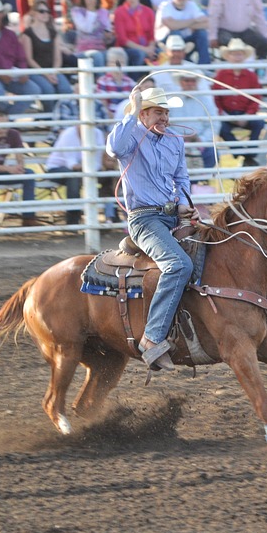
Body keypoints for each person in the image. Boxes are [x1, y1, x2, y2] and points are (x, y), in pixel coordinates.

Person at [106, 85, 197, 372]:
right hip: (144, 219)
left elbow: (181, 178)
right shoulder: (130, 136)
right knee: (178, 265)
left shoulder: (175, 141)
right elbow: (114, 148)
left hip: (172, 216)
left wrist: (184, 204)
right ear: (143, 114)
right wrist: (131, 110)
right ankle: (152, 338)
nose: (165, 118)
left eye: (166, 113)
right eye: (158, 112)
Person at [0, 0, 41, 115]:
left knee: (33, 90)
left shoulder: (11, 35)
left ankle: (6, 118)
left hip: (11, 74)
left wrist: (23, 72)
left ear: (3, 14)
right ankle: (6, 119)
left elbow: (21, 57)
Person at [213, 38, 264, 166]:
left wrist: (248, 115)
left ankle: (247, 153)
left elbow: (256, 98)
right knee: (220, 127)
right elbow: (216, 98)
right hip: (226, 113)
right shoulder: (221, 75)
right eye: (234, 54)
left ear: (244, 56)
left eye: (239, 54)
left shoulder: (251, 76)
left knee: (259, 123)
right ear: (229, 56)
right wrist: (223, 114)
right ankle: (245, 154)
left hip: (244, 113)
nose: (237, 57)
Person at [45, 124, 108, 225]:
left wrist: (88, 168)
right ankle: (73, 220)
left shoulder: (97, 134)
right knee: (73, 178)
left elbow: (97, 160)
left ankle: (111, 216)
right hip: (57, 168)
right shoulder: (68, 134)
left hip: (84, 169)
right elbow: (72, 164)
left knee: (108, 177)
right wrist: (88, 168)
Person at [20, 0, 73, 112]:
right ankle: (49, 117)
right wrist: (46, 74)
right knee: (48, 91)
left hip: (52, 70)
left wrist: (53, 72)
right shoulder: (27, 34)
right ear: (33, 13)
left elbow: (58, 58)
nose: (45, 14)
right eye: (41, 11)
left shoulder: (53, 33)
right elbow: (29, 59)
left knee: (65, 89)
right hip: (35, 71)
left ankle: (64, 116)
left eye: (47, 11)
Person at [169, 73, 219, 171]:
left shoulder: (205, 100)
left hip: (200, 140)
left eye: (193, 81)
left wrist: (201, 139)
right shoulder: (172, 100)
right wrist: (179, 137)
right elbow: (166, 123)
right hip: (176, 140)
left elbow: (214, 123)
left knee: (212, 154)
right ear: (181, 82)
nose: (190, 84)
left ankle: (201, 178)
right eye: (187, 81)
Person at [155, 0, 210, 65]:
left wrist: (179, 24)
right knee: (175, 33)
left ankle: (205, 65)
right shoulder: (165, 6)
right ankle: (180, 62)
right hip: (165, 42)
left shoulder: (192, 5)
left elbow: (206, 23)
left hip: (186, 39)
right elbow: (172, 26)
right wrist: (193, 21)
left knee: (202, 33)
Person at [113, 0, 158, 74]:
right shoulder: (119, 12)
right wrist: (145, 50)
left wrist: (151, 48)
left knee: (162, 54)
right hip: (128, 49)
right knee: (139, 54)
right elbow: (122, 39)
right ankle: (136, 81)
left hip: (147, 47)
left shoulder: (148, 11)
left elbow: (152, 35)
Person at [70, 0, 113, 67]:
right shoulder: (77, 11)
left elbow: (108, 31)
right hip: (83, 51)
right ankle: (101, 76)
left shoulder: (104, 12)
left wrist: (108, 36)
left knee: (116, 54)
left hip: (101, 48)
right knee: (97, 56)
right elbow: (87, 29)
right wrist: (90, 8)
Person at [96, 46, 135, 117]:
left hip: (126, 116)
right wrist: (110, 116)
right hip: (109, 118)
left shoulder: (130, 82)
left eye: (121, 62)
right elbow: (103, 103)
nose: (118, 65)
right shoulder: (103, 81)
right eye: (114, 62)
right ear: (108, 64)